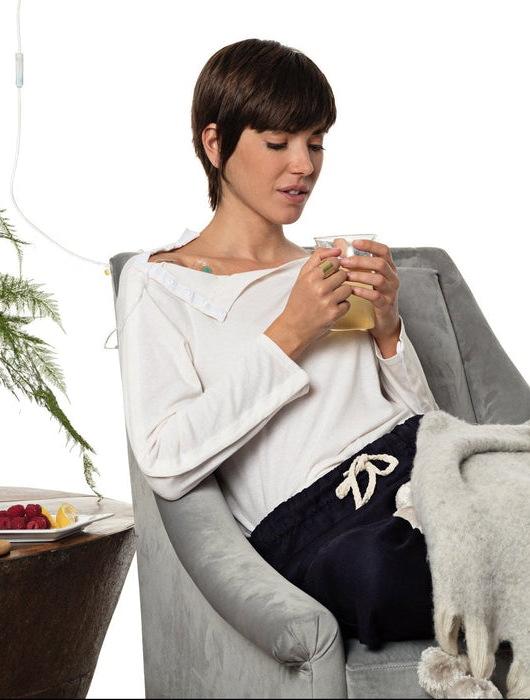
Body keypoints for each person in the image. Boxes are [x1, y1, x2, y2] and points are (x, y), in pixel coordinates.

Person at [115, 38, 438, 646]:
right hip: (317, 523)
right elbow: (165, 459)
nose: (304, 165)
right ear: (215, 144)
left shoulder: (327, 265)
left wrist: (389, 329)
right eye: (278, 143)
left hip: (416, 466)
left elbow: (423, 420)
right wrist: (291, 330)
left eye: (315, 143)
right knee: (379, 575)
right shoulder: (160, 282)